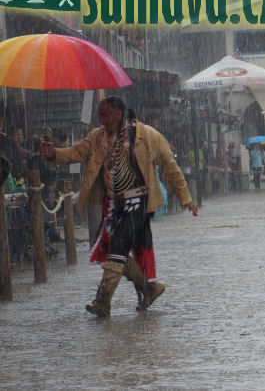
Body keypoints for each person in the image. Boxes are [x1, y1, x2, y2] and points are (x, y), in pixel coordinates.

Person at [40, 96, 198, 317]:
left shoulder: (147, 136)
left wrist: (185, 198)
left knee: (117, 249)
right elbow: (76, 153)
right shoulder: (97, 137)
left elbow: (169, 166)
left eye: (105, 115)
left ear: (117, 114)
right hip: (113, 205)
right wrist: (54, 153)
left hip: (138, 202)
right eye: (99, 115)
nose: (101, 120)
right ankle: (149, 287)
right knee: (114, 250)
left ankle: (103, 301)